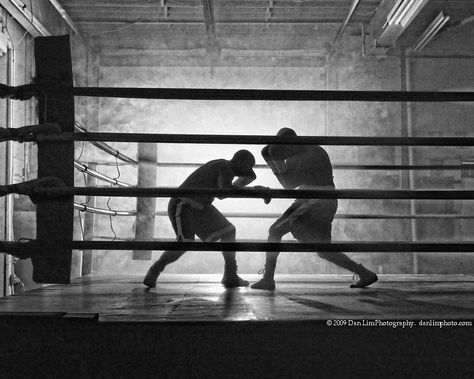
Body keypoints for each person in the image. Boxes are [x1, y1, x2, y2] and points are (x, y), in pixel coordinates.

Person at [251, 127, 378, 291]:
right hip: (324, 199)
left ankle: (268, 279)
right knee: (323, 250)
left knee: (275, 231)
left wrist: (274, 161)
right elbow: (288, 183)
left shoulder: (308, 154)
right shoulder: (306, 150)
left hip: (315, 198)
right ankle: (364, 273)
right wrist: (272, 157)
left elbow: (288, 185)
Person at [143, 149, 270, 288]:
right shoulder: (224, 167)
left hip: (201, 206)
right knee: (185, 242)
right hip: (183, 203)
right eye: (248, 166)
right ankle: (156, 269)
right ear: (239, 162)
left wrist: (251, 185)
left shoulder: (225, 166)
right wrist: (255, 191)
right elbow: (223, 193)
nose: (249, 170)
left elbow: (248, 178)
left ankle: (230, 275)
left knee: (229, 231)